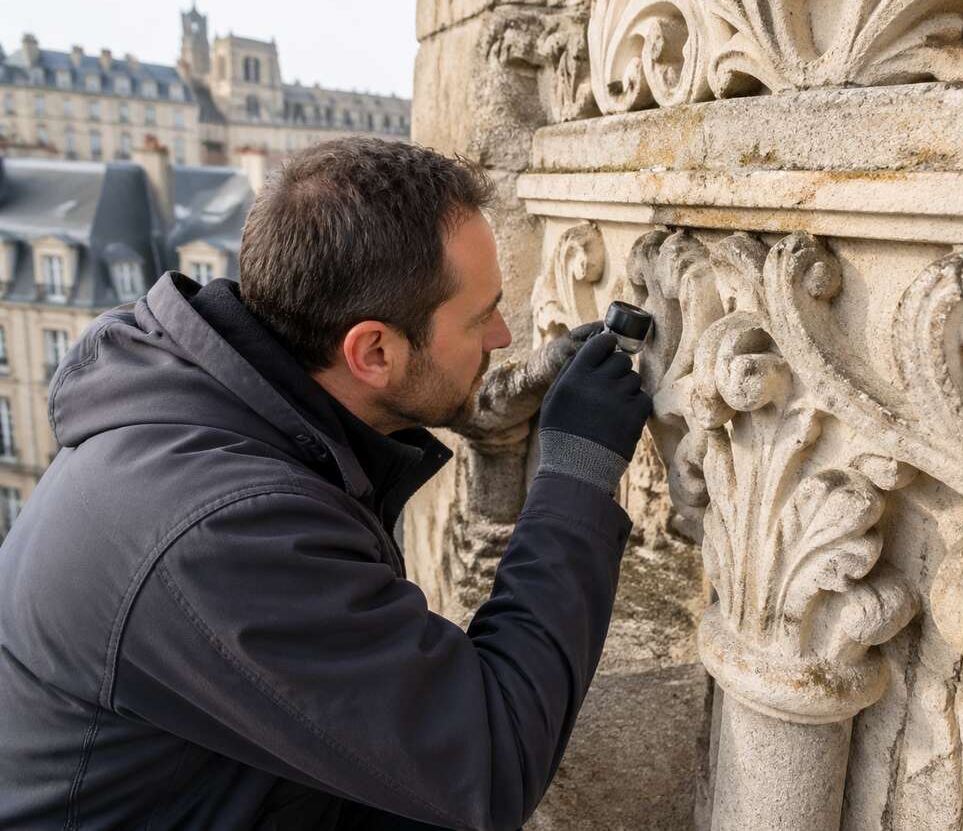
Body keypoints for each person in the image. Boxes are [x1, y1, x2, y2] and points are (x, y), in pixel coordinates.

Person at [0, 137, 652, 830]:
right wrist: (576, 472)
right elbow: (487, 760)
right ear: (373, 351)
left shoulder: (208, 413)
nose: (500, 335)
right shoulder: (225, 530)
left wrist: (496, 403)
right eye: (481, 314)